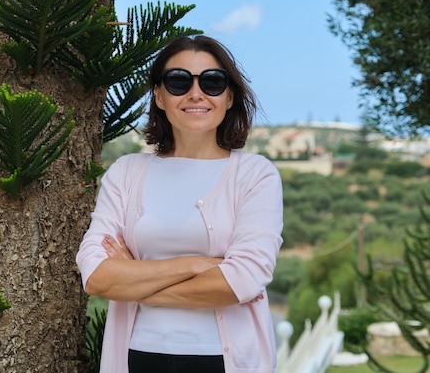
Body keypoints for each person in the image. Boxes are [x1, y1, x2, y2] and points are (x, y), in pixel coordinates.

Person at [76, 35, 284, 373]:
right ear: (158, 94)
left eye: (213, 82)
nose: (196, 93)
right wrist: (194, 264)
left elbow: (243, 280)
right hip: (137, 357)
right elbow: (98, 277)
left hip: (224, 361)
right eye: (178, 81)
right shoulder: (126, 172)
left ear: (230, 96)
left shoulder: (254, 175)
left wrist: (134, 284)